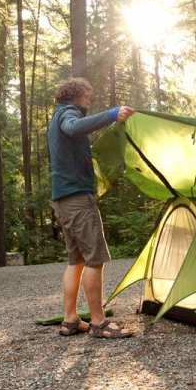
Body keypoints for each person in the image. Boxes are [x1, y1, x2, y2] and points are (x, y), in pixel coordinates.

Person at [48, 77, 135, 339]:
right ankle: (99, 322)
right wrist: (111, 114)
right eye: (86, 96)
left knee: (76, 260)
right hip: (76, 199)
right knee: (95, 260)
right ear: (76, 96)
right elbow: (74, 127)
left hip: (63, 199)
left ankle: (70, 320)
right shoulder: (68, 113)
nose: (88, 101)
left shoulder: (57, 116)